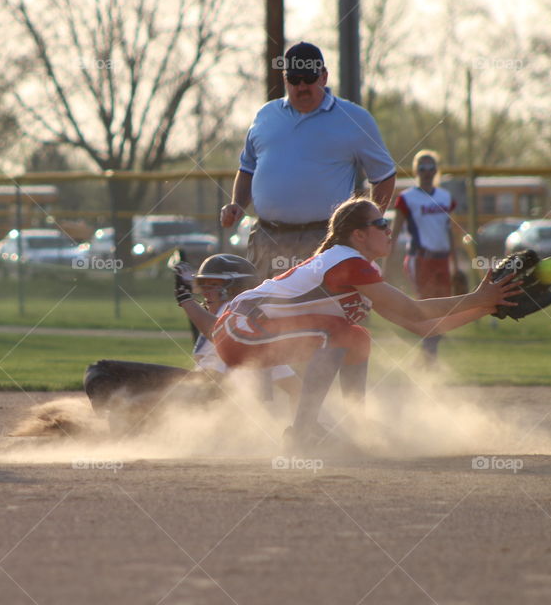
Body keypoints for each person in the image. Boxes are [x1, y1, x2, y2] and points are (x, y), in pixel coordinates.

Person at [210, 197, 518, 451]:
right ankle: (302, 432)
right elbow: (415, 310)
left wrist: (488, 306)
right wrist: (478, 296)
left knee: (357, 338)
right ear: (358, 235)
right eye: (381, 224)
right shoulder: (346, 262)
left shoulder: (360, 270)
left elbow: (425, 328)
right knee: (339, 333)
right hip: (240, 328)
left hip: (253, 334)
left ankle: (355, 426)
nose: (388, 230)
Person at [220, 42, 397, 280]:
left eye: (309, 78)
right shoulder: (266, 115)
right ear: (285, 80)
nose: (302, 86)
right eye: (294, 79)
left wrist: (371, 225)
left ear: (323, 76)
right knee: (263, 312)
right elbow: (248, 168)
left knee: (325, 312)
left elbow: (383, 176)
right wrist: (238, 204)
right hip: (268, 236)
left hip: (326, 237)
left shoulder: (354, 118)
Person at [84, 254, 298, 432]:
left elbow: (224, 335)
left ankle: (138, 427)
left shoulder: (240, 314)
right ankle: (136, 425)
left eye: (213, 285)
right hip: (201, 392)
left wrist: (186, 300)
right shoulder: (225, 318)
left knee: (104, 372)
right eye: (203, 285)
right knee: (122, 394)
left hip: (214, 393)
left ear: (237, 287)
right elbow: (293, 386)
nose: (205, 292)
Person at [387, 150, 457, 362]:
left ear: (436, 170)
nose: (427, 172)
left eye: (431, 167)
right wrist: (385, 264)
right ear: (416, 170)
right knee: (427, 304)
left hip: (442, 257)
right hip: (420, 257)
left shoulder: (445, 197)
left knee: (444, 306)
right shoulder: (407, 198)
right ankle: (428, 354)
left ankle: (428, 351)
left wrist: (456, 263)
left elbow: (450, 230)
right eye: (422, 168)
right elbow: (394, 232)